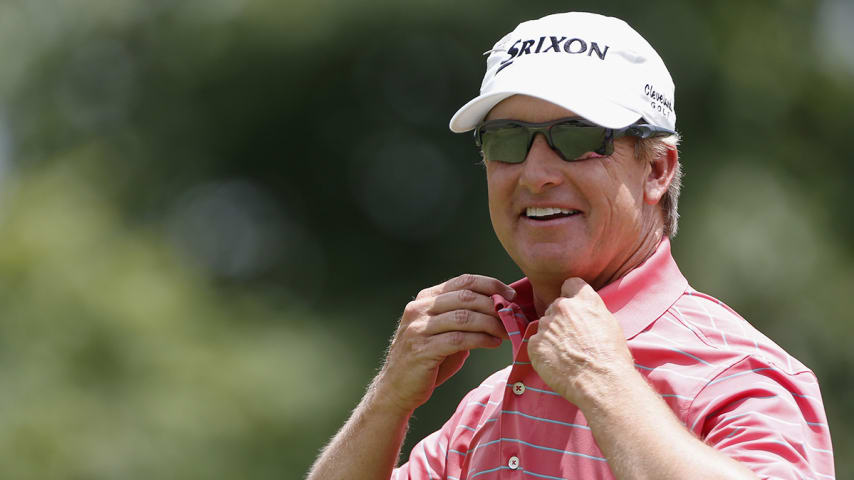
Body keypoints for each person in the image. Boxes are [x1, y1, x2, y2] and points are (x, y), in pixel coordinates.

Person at [307, 12, 834, 480]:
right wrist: (389, 398)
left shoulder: (739, 374)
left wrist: (603, 384)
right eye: (508, 140)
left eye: (578, 139)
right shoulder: (484, 410)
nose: (536, 175)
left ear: (656, 169)